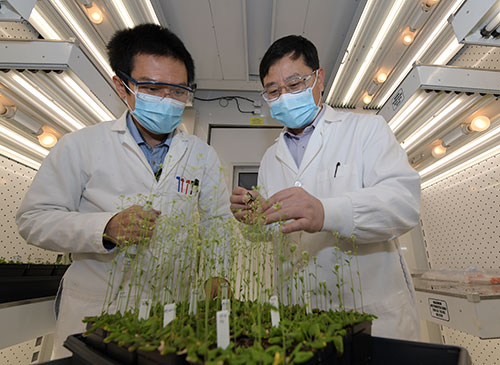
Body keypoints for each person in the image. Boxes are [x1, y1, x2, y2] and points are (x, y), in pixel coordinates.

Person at [16, 24, 230, 358]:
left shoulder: (201, 156)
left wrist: (218, 274)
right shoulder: (80, 146)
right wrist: (105, 227)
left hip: (170, 312)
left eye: (178, 91)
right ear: (122, 86)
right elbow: (33, 219)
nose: (167, 100)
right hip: (94, 309)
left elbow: (218, 222)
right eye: (153, 87)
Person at [230, 35, 421, 340]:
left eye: (294, 85)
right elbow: (276, 233)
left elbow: (403, 204)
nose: (284, 97)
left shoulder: (365, 130)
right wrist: (254, 220)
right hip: (301, 318)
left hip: (373, 317)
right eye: (274, 91)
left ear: (319, 78)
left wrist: (325, 212)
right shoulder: (270, 158)